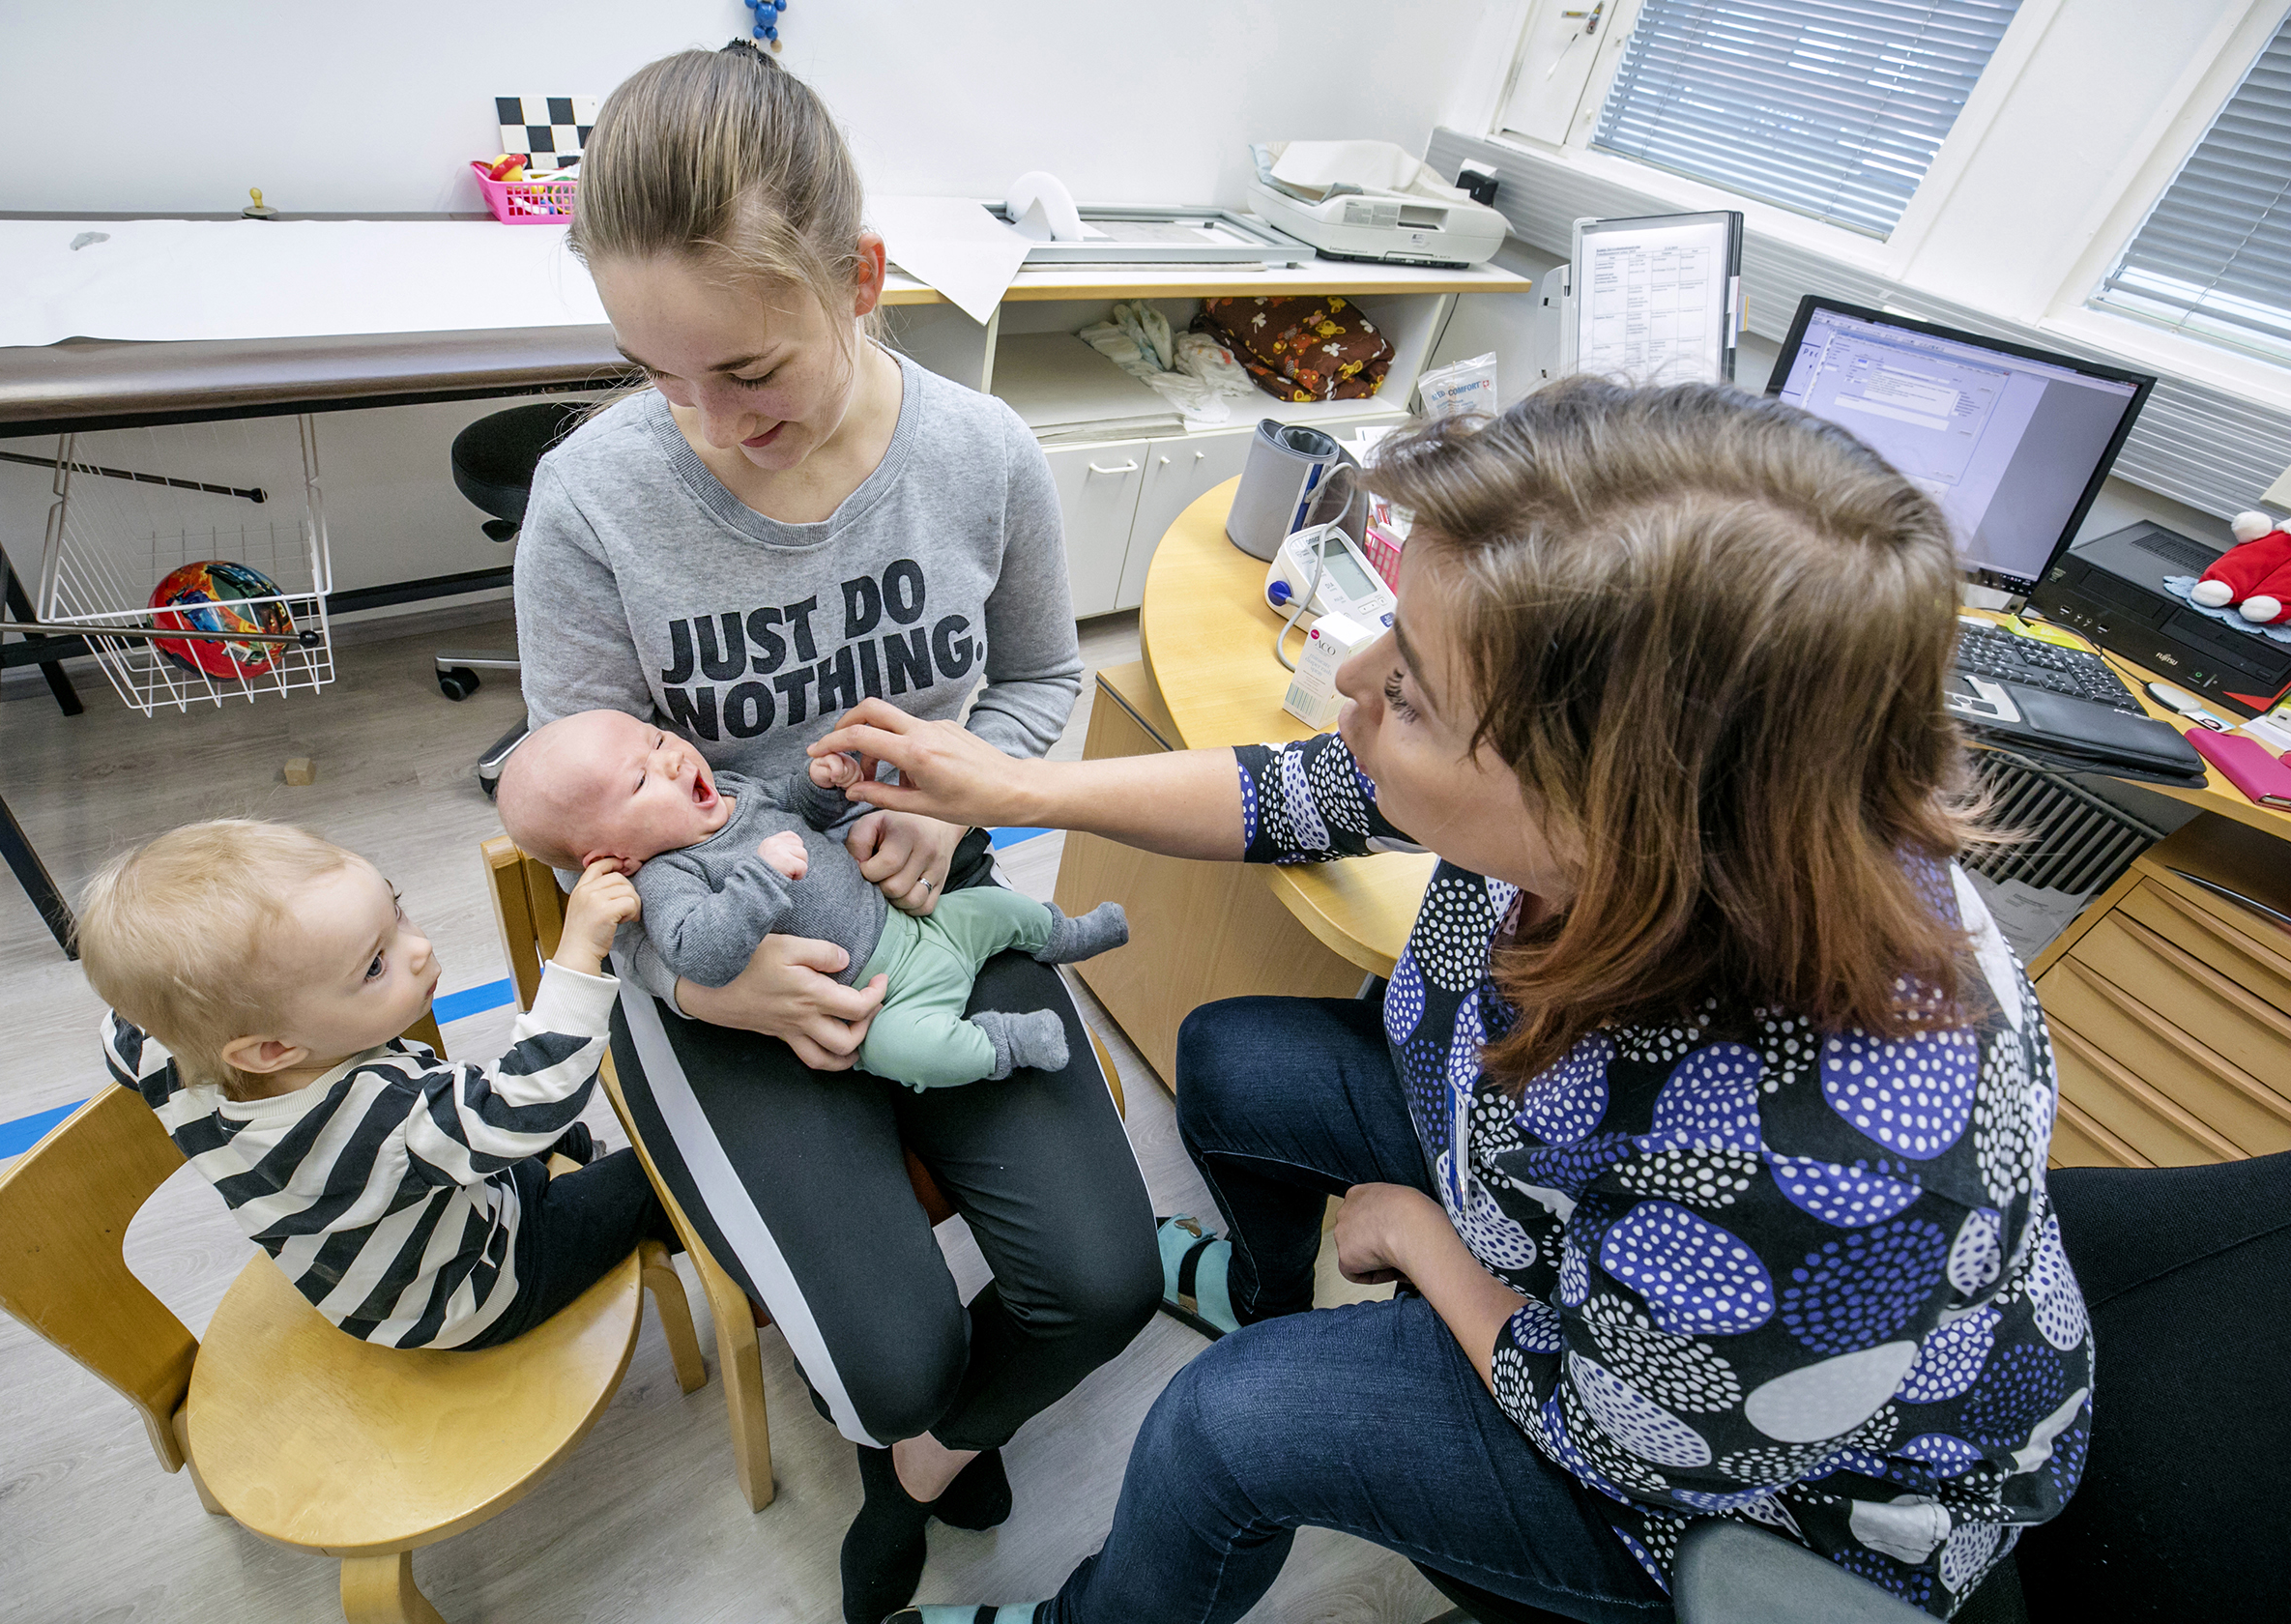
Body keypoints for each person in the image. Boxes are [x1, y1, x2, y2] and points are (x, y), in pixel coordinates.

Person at [812, 378, 2091, 1624]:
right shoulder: (1681, 813)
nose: (1356, 680)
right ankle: (1267, 1289)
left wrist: (1421, 1238)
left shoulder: (1838, 1154)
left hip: (1731, 1491)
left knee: (1228, 1426)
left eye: (1410, 689)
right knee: (1230, 1057)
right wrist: (1011, 790)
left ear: (1610, 808)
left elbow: (1617, 1429)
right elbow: (1299, 792)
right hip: (1537, 1182)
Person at [509, 42, 1159, 1622]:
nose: (709, 424)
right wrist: (690, 975)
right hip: (714, 931)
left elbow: (1040, 678)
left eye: (746, 369)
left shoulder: (980, 456)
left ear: (859, 280)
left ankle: (925, 1463)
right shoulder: (591, 504)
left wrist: (961, 800)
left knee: (1106, 1286)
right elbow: (575, 819)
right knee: (885, 1354)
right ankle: (912, 1425)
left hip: (933, 887)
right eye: (655, 374)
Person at [74, 819, 671, 1350]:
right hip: (474, 1291)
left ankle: (564, 1167)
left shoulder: (153, 1050)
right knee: (664, 1175)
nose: (420, 948)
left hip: (371, 1268)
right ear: (274, 1049)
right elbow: (532, 1101)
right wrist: (578, 953)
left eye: (397, 909)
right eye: (374, 965)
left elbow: (120, 1027)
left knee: (522, 1146)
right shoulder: (385, 1118)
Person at [494, 709, 1130, 1088]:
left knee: (997, 914)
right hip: (881, 1002)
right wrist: (760, 880)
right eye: (639, 781)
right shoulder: (664, 879)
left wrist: (825, 785)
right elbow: (703, 955)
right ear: (614, 858)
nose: (670, 761)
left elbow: (792, 808)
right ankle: (1005, 1046)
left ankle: (1065, 935)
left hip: (915, 924)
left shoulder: (733, 789)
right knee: (907, 1054)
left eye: (658, 740)